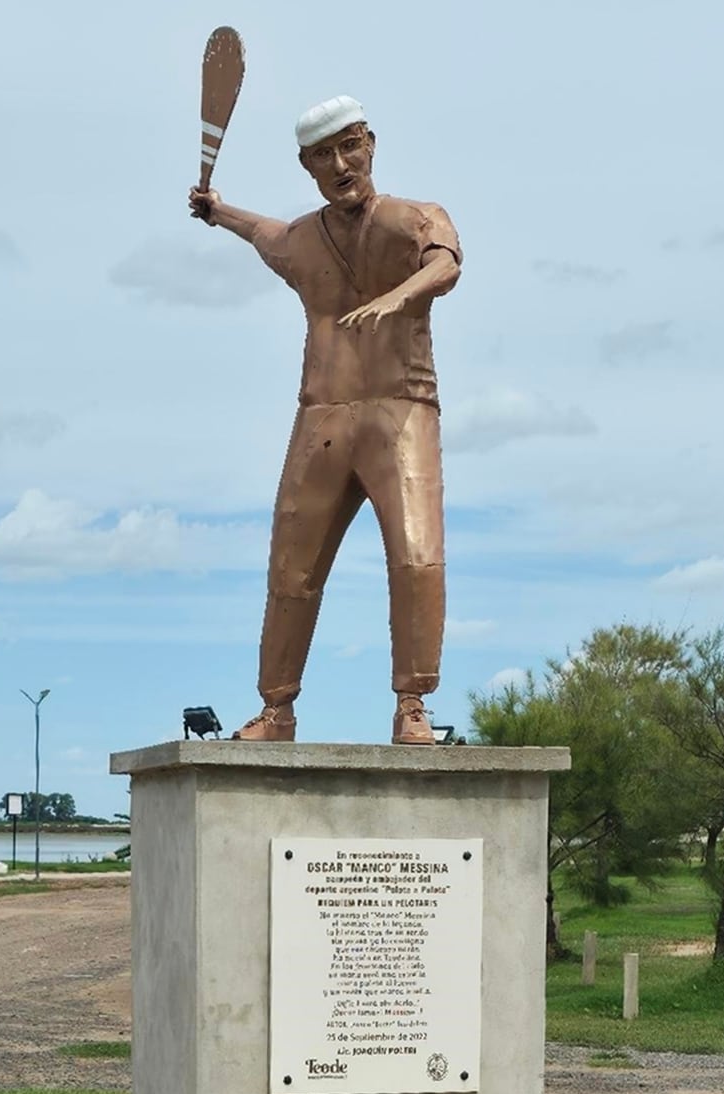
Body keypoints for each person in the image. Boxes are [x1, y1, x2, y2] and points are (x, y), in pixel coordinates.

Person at [190, 95, 460, 744]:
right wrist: (216, 209)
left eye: (350, 146)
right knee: (291, 566)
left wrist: (396, 299)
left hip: (401, 409)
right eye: (323, 156)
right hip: (322, 419)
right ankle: (276, 709)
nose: (341, 164)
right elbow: (263, 233)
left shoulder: (414, 218)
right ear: (307, 165)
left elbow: (445, 265)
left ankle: (412, 704)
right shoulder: (302, 240)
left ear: (371, 142)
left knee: (417, 557)